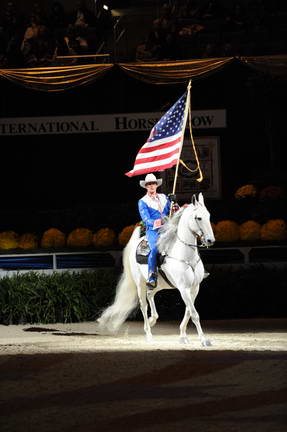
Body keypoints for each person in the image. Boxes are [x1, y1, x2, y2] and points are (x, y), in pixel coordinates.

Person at [138, 173, 175, 290]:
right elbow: (146, 220)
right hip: (153, 230)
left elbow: (173, 210)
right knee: (154, 249)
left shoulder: (164, 197)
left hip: (167, 228)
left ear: (156, 185)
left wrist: (174, 203)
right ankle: (152, 276)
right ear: (146, 186)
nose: (151, 186)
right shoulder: (142, 201)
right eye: (149, 184)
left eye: (153, 183)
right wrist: (160, 222)